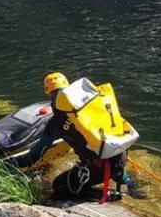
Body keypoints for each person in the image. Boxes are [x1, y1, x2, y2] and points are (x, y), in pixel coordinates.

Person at [22, 72, 146, 201]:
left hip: (99, 167)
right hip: (119, 154)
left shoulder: (57, 121)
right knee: (107, 159)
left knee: (59, 186)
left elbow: (36, 154)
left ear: (49, 93)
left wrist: (17, 163)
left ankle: (107, 195)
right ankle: (133, 186)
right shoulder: (89, 108)